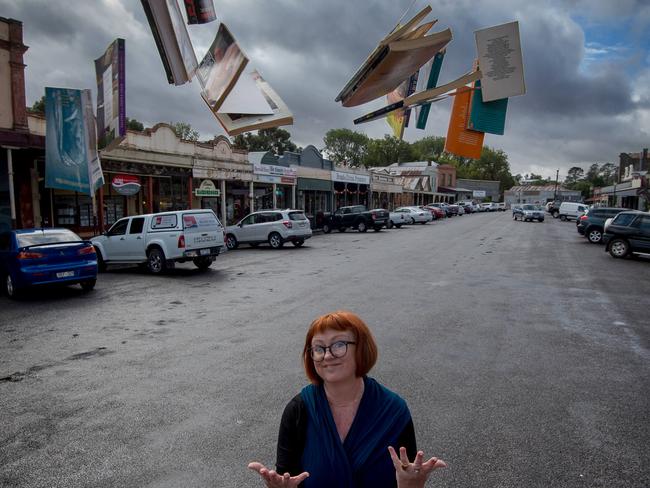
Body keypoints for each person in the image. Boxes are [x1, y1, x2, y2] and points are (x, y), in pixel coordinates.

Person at [248, 311, 446, 488]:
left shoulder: (393, 410)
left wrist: (412, 486)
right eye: (318, 348)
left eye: (339, 344)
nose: (327, 355)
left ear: (361, 349)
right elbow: (287, 477)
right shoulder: (299, 410)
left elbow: (408, 475)